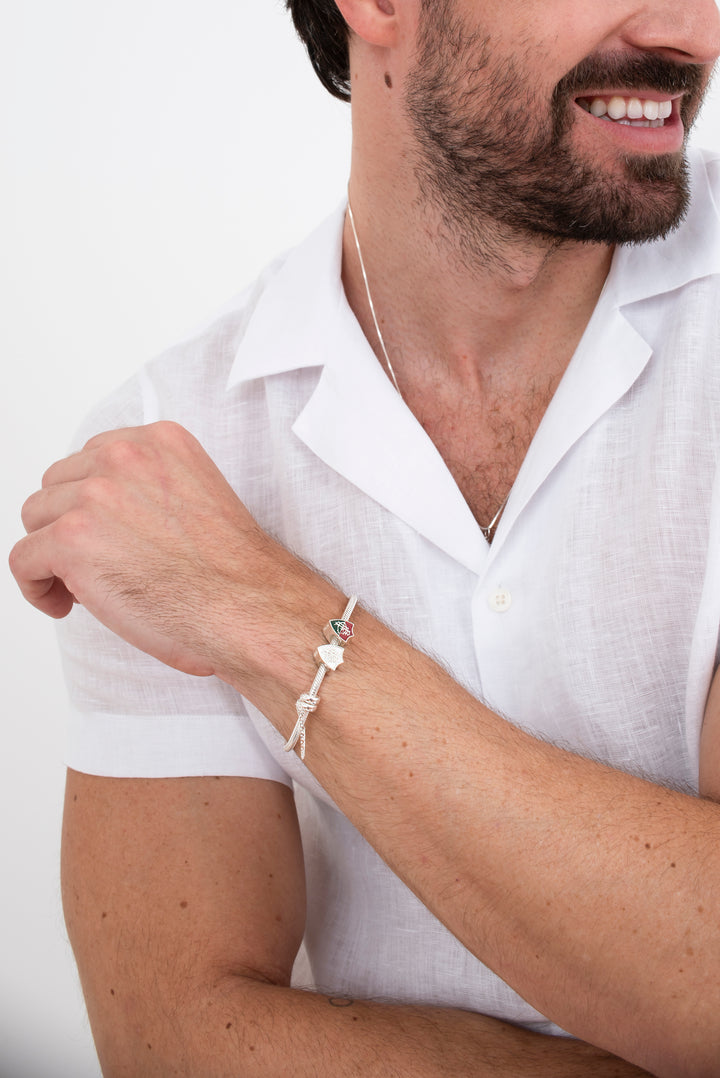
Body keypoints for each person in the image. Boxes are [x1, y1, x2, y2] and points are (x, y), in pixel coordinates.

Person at [10, 0, 720, 1073]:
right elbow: (176, 1034)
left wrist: (265, 615)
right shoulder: (169, 447)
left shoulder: (181, 533)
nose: (697, 31)